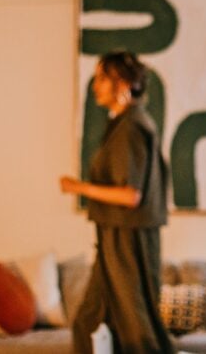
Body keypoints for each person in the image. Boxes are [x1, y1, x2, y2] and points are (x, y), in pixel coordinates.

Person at [60, 52, 173, 354]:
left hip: (127, 238)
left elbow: (130, 195)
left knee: (136, 328)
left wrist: (79, 187)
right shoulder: (124, 124)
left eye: (101, 78)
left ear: (122, 83)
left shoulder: (131, 127)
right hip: (113, 234)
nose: (95, 85)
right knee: (88, 322)